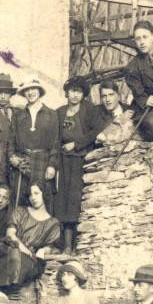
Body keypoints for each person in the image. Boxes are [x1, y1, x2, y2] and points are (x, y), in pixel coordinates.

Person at [53, 76, 102, 252]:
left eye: (79, 92)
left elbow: (96, 131)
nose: (75, 95)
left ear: (83, 95)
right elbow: (55, 138)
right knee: (63, 201)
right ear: (67, 92)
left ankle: (78, 244)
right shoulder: (59, 112)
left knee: (76, 200)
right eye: (72, 91)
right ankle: (65, 245)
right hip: (63, 161)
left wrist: (76, 144)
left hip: (81, 160)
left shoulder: (89, 110)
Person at [0, 182, 62, 289]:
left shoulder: (53, 223)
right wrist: (25, 250)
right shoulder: (20, 211)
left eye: (36, 193)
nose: (33, 197)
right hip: (10, 249)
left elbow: (51, 246)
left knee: (28, 264)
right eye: (30, 194)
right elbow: (10, 234)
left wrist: (43, 250)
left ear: (44, 194)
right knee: (14, 255)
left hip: (29, 259)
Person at [9, 77, 60, 212]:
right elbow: (11, 139)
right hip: (22, 162)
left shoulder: (51, 114)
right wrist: (12, 157)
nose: (30, 92)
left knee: (41, 200)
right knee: (20, 201)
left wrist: (52, 165)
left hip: (42, 162)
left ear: (40, 91)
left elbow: (55, 142)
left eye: (33, 89)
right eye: (27, 90)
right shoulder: (18, 115)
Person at [95, 79, 133, 144]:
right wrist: (120, 119)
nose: (107, 100)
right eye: (104, 96)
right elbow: (98, 139)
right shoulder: (96, 113)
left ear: (118, 96)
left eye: (111, 94)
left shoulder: (129, 109)